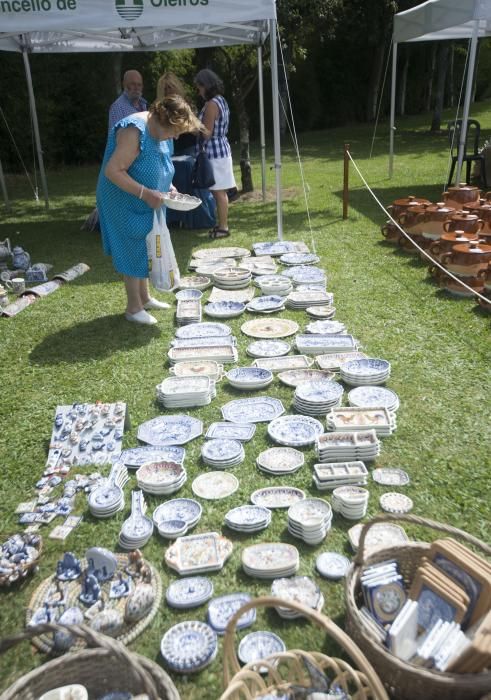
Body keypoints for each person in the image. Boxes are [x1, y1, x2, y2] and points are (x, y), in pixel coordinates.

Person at [96, 95, 206, 325]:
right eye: (175, 131)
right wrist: (146, 194)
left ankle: (145, 298)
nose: (176, 136)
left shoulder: (163, 133)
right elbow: (113, 171)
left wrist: (170, 188)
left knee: (146, 243)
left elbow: (161, 167)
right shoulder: (134, 131)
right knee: (133, 245)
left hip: (146, 198)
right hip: (121, 197)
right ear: (163, 120)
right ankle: (133, 307)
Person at [194, 69, 236, 239]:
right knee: (219, 192)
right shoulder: (221, 100)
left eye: (199, 87)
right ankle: (221, 225)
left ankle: (224, 227)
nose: (199, 91)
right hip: (221, 149)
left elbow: (206, 133)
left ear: (206, 86)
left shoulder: (211, 104)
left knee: (219, 192)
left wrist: (192, 125)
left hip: (215, 152)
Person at [156, 71, 197, 157]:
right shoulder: (160, 107)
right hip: (168, 151)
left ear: (176, 87)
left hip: (188, 148)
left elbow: (196, 129)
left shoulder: (187, 104)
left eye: (170, 87)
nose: (167, 91)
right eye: (165, 89)